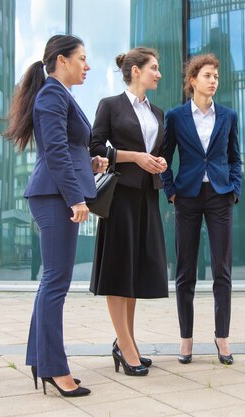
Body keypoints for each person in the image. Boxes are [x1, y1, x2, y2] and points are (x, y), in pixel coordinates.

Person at [3, 34, 108, 396]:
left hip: (57, 193)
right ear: (61, 60)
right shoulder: (51, 94)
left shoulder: (61, 96)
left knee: (52, 281)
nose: (87, 65)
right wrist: (76, 198)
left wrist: (91, 162)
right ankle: (53, 367)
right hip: (54, 197)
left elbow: (66, 149)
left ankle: (40, 359)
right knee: (56, 282)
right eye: (82, 58)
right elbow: (55, 151)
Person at [90, 47, 168, 377]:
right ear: (135, 71)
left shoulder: (158, 112)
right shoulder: (110, 106)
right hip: (119, 195)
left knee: (134, 271)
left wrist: (159, 161)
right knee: (118, 270)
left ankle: (128, 341)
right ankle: (125, 345)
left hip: (147, 197)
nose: (158, 73)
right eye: (154, 67)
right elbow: (95, 147)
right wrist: (135, 157)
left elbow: (155, 151)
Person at [160, 54, 242, 365]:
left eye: (216, 77)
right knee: (185, 272)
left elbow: (235, 158)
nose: (213, 81)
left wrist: (234, 190)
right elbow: (164, 158)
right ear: (193, 80)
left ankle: (222, 337)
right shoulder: (176, 117)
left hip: (220, 195)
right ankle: (186, 339)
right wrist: (171, 192)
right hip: (188, 197)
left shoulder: (228, 116)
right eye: (208, 75)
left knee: (222, 270)